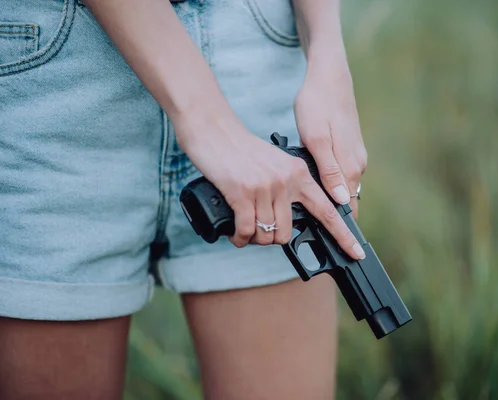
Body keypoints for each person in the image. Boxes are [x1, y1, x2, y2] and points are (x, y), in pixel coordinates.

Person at [0, 0, 367, 398]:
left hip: (257, 49)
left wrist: (328, 50)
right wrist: (207, 121)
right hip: (58, 74)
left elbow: (327, 49)